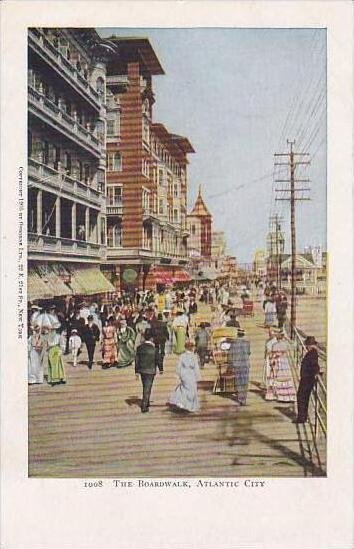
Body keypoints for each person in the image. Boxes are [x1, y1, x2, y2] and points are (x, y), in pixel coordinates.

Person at [168, 340, 201, 412]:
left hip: (184, 374)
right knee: (192, 390)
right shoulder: (194, 357)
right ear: (192, 348)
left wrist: (178, 375)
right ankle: (190, 406)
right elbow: (196, 367)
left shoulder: (182, 356)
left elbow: (179, 366)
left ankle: (182, 402)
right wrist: (198, 376)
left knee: (184, 388)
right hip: (191, 374)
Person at [135, 329, 163, 413]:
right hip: (151, 370)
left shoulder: (140, 348)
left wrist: (136, 371)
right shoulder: (155, 349)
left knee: (145, 386)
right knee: (148, 387)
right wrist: (161, 369)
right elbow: (158, 360)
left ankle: (146, 401)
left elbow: (137, 360)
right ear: (151, 338)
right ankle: (144, 405)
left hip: (142, 370)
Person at [293, 336, 320, 423]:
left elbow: (315, 366)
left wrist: (313, 373)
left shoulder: (312, 353)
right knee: (303, 397)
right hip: (307, 378)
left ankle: (302, 418)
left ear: (310, 345)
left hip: (307, 379)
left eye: (307, 345)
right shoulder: (312, 353)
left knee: (301, 397)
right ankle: (302, 417)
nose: (306, 347)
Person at [266, 330, 296, 402]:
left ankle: (280, 396)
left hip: (276, 362)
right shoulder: (285, 344)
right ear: (283, 337)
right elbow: (294, 345)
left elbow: (271, 356)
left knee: (277, 378)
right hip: (284, 361)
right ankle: (288, 396)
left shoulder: (274, 345)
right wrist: (287, 339)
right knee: (286, 378)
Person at [228, 329, 251, 405]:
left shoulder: (233, 343)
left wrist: (230, 364)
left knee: (238, 382)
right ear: (243, 335)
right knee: (245, 382)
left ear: (237, 334)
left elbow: (230, 355)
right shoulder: (247, 343)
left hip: (237, 364)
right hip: (245, 364)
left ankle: (240, 398)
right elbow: (248, 352)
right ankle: (244, 399)